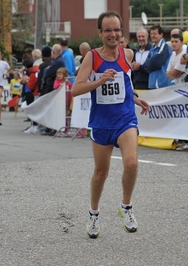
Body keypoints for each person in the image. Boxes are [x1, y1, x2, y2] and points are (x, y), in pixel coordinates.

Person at [72, 10, 150, 239]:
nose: (113, 34)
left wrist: (135, 98)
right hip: (102, 122)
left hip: (125, 119)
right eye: (108, 30)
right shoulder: (92, 57)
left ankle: (126, 206)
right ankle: (93, 213)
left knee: (132, 163)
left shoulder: (127, 54)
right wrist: (99, 80)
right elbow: (76, 89)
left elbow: (124, 84)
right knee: (101, 173)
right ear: (100, 32)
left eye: (117, 29)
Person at [143, 25, 172, 89]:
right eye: (151, 34)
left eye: (155, 34)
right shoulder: (152, 48)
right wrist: (151, 62)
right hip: (152, 84)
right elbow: (145, 66)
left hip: (163, 85)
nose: (152, 36)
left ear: (161, 35)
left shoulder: (165, 47)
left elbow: (157, 63)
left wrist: (150, 62)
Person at [22, 59, 40, 135]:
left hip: (31, 93)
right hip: (33, 92)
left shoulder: (33, 73)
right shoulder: (36, 71)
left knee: (32, 110)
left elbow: (31, 85)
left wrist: (26, 81)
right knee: (33, 110)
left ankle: (34, 126)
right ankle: (33, 125)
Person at [53, 67, 73, 137]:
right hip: (59, 102)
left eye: (60, 74)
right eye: (58, 74)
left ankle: (66, 130)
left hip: (66, 102)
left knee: (66, 116)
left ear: (64, 75)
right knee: (59, 116)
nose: (59, 75)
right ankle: (59, 130)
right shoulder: (56, 82)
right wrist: (60, 85)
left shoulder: (68, 82)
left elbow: (71, 90)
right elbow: (55, 87)